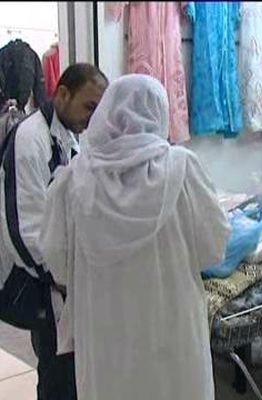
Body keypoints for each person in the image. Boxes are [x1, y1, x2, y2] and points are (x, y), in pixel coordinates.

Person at [39, 74, 230, 400]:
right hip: (172, 325)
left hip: (104, 332)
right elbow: (214, 249)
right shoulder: (182, 170)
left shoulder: (73, 181)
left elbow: (56, 262)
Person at [0, 63, 107, 400]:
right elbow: (23, 229)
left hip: (63, 279)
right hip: (38, 280)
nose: (92, 118)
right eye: (89, 106)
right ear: (62, 93)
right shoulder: (30, 139)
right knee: (57, 372)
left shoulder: (70, 135)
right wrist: (62, 277)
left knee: (73, 370)